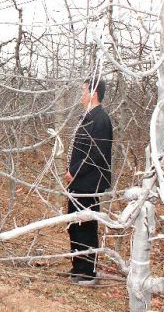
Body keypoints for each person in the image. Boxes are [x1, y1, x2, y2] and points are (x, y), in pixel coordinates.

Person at [65, 77, 113, 286]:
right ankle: (78, 266)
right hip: (78, 180)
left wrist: (74, 171)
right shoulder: (87, 117)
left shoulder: (101, 120)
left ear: (93, 93)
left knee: (86, 224)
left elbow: (96, 153)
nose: (81, 95)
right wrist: (71, 171)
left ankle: (89, 272)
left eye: (84, 90)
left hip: (89, 181)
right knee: (74, 223)